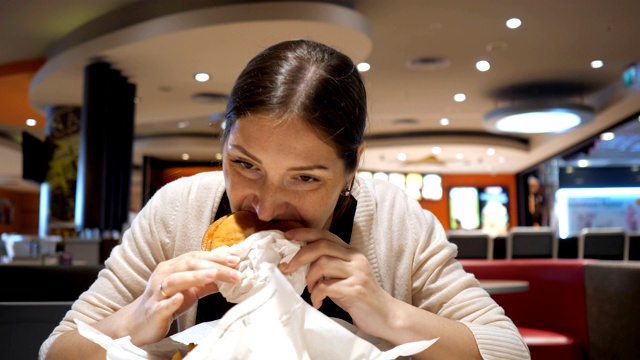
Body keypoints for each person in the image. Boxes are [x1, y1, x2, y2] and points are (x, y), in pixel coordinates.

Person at [40, 39, 529, 359]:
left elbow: (507, 350)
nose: (267, 208)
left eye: (305, 179)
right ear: (224, 144)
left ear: (351, 167)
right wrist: (141, 316)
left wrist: (386, 312)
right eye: (245, 165)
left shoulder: (396, 220)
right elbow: (57, 351)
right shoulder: (177, 210)